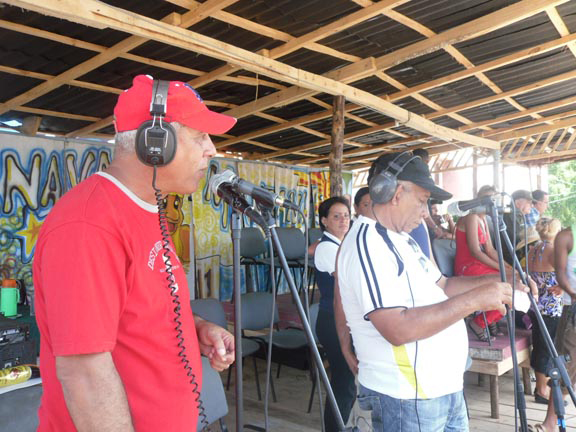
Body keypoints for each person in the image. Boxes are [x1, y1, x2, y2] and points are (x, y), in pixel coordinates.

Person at [33, 75, 236, 431]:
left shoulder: (145, 210)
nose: (212, 150)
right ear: (155, 143)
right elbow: (84, 371)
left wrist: (195, 327)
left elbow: (140, 309)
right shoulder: (89, 225)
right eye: (200, 135)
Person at [336, 152, 529, 431]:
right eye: (423, 200)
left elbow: (445, 285)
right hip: (407, 399)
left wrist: (501, 281)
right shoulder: (366, 245)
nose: (426, 212)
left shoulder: (402, 239)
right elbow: (397, 329)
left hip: (441, 389)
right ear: (396, 193)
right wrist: (476, 299)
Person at [314, 197, 355, 432]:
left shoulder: (342, 245)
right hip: (332, 322)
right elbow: (350, 284)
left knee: (346, 382)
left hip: (345, 321)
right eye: (336, 216)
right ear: (324, 221)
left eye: (346, 215)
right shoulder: (326, 249)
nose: (343, 220)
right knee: (343, 382)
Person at [533, 224, 576, 431]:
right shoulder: (566, 236)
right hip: (572, 310)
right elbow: (560, 275)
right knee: (563, 368)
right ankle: (551, 424)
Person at [454, 185, 508, 341]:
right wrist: (502, 270)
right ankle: (479, 322)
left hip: (478, 265)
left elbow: (490, 250)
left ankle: (488, 319)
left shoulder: (484, 219)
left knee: (514, 278)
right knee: (508, 282)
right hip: (467, 267)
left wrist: (508, 267)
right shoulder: (472, 217)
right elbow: (475, 251)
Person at [527, 218, 563, 404]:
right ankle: (542, 390)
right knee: (547, 348)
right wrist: (563, 287)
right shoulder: (553, 251)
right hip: (550, 307)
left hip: (535, 306)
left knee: (540, 346)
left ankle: (541, 387)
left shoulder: (534, 250)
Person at [502, 189, 534, 265]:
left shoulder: (518, 216)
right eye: (529, 203)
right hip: (511, 260)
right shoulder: (509, 217)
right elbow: (514, 242)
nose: (532, 206)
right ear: (518, 203)